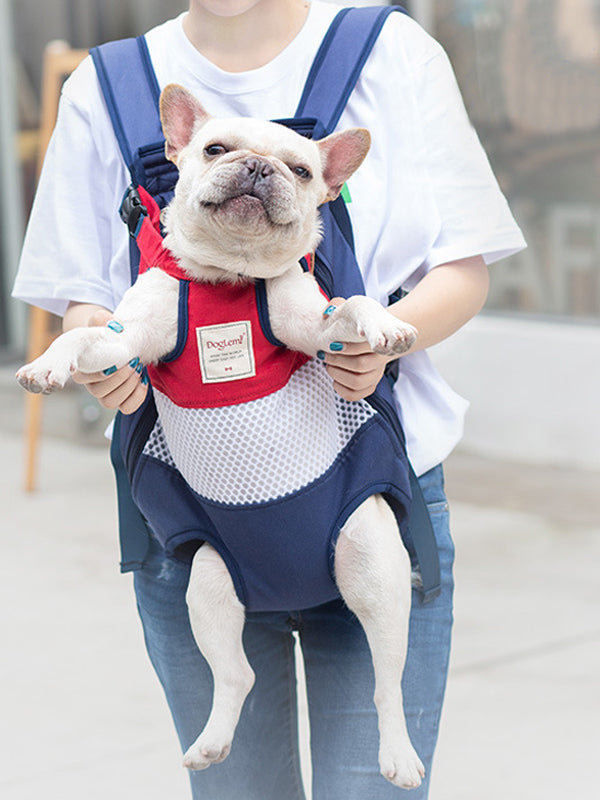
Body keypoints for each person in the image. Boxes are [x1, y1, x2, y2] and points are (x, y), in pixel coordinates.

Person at [13, 1, 526, 798]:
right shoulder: (105, 85)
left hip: (369, 500)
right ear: (181, 143)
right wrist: (98, 358)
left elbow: (462, 267)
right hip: (196, 520)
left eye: (287, 169)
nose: (255, 171)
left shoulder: (391, 52)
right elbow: (83, 295)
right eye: (222, 152)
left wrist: (382, 340)